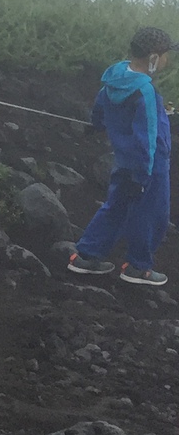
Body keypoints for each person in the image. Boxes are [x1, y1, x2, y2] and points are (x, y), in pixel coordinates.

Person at [69, 26, 174, 287]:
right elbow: (148, 136)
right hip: (150, 167)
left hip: (124, 161)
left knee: (115, 208)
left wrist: (96, 125)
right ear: (153, 58)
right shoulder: (145, 91)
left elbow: (100, 107)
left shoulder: (116, 78)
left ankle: (85, 256)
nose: (167, 60)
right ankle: (138, 267)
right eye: (165, 55)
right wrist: (146, 173)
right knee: (152, 215)